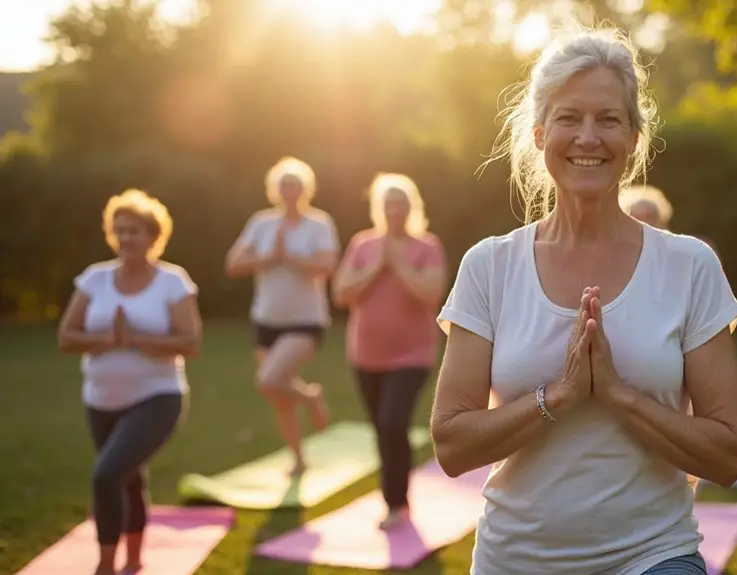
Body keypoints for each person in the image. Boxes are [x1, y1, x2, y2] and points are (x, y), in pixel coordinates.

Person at [430, 27, 737, 575]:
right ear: (538, 133)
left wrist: (620, 396)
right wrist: (561, 394)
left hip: (653, 555)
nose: (588, 137)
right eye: (569, 118)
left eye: (608, 119)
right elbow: (451, 444)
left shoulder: (690, 266)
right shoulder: (489, 266)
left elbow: (727, 453)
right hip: (517, 559)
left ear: (634, 137)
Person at [57, 189, 202, 575]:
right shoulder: (94, 279)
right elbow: (66, 337)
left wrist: (137, 339)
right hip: (100, 398)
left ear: (154, 236)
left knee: (107, 475)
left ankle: (106, 566)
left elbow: (190, 342)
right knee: (127, 478)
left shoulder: (172, 282)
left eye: (133, 230)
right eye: (119, 230)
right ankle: (135, 559)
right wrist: (109, 340)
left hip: (157, 396)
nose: (125, 238)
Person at [332, 173, 448, 530]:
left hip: (412, 355)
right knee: (383, 429)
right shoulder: (363, 245)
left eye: (401, 204)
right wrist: (377, 265)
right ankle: (395, 499)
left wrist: (397, 263)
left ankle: (395, 503)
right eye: (388, 204)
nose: (395, 210)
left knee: (392, 422)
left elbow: (432, 295)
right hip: (366, 355)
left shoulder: (426, 246)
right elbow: (342, 293)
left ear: (412, 208)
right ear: (379, 209)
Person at [225, 156, 339, 475]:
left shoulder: (318, 224)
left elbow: (327, 266)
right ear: (275, 190)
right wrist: (268, 257)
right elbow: (234, 264)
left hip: (306, 321)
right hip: (266, 320)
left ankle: (313, 398)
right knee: (279, 395)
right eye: (284, 184)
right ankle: (299, 458)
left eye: (296, 184)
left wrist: (288, 257)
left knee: (270, 380)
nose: (289, 190)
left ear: (306, 189)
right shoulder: (262, 223)